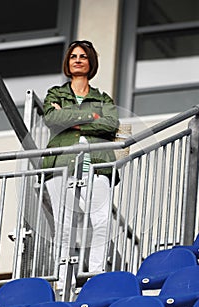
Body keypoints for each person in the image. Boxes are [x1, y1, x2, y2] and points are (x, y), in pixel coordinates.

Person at [43, 40, 119, 290]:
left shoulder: (102, 97)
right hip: (62, 165)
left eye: (83, 56)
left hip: (97, 166)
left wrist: (71, 119)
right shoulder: (56, 93)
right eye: (73, 56)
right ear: (68, 62)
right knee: (64, 227)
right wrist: (91, 117)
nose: (77, 59)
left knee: (102, 222)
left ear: (90, 62)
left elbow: (110, 125)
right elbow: (52, 118)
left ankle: (96, 276)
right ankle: (63, 283)